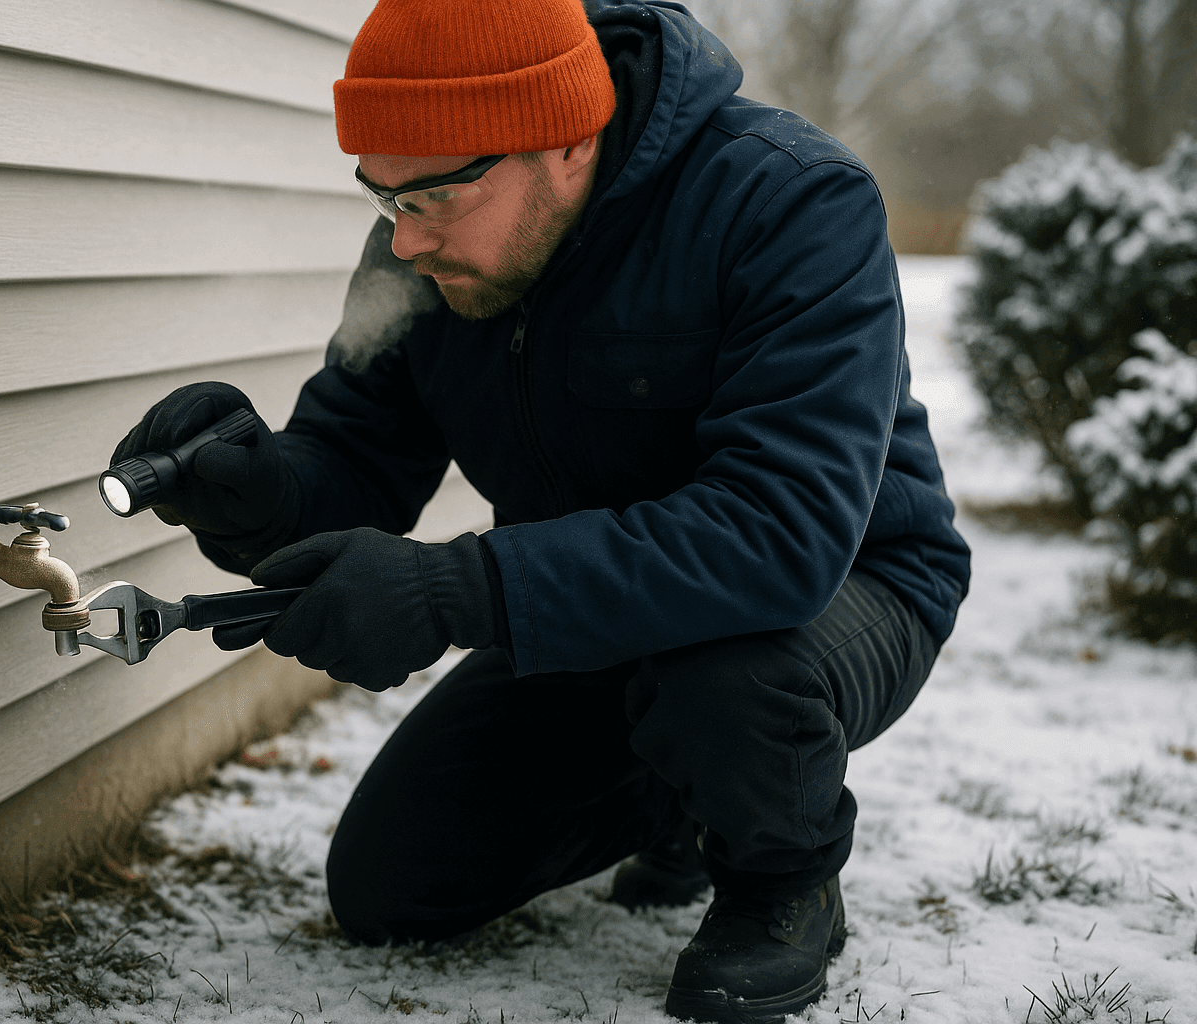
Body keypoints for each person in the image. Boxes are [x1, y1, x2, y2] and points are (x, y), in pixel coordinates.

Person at [109, 0, 971, 1019]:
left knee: (722, 674)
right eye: (382, 197)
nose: (405, 239)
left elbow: (778, 533)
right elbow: (355, 457)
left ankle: (781, 881)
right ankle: (676, 795)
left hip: (837, 593)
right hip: (585, 614)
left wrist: (454, 591)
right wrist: (256, 493)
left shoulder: (791, 203)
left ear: (566, 137)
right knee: (395, 885)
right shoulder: (421, 250)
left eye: (430, 196)